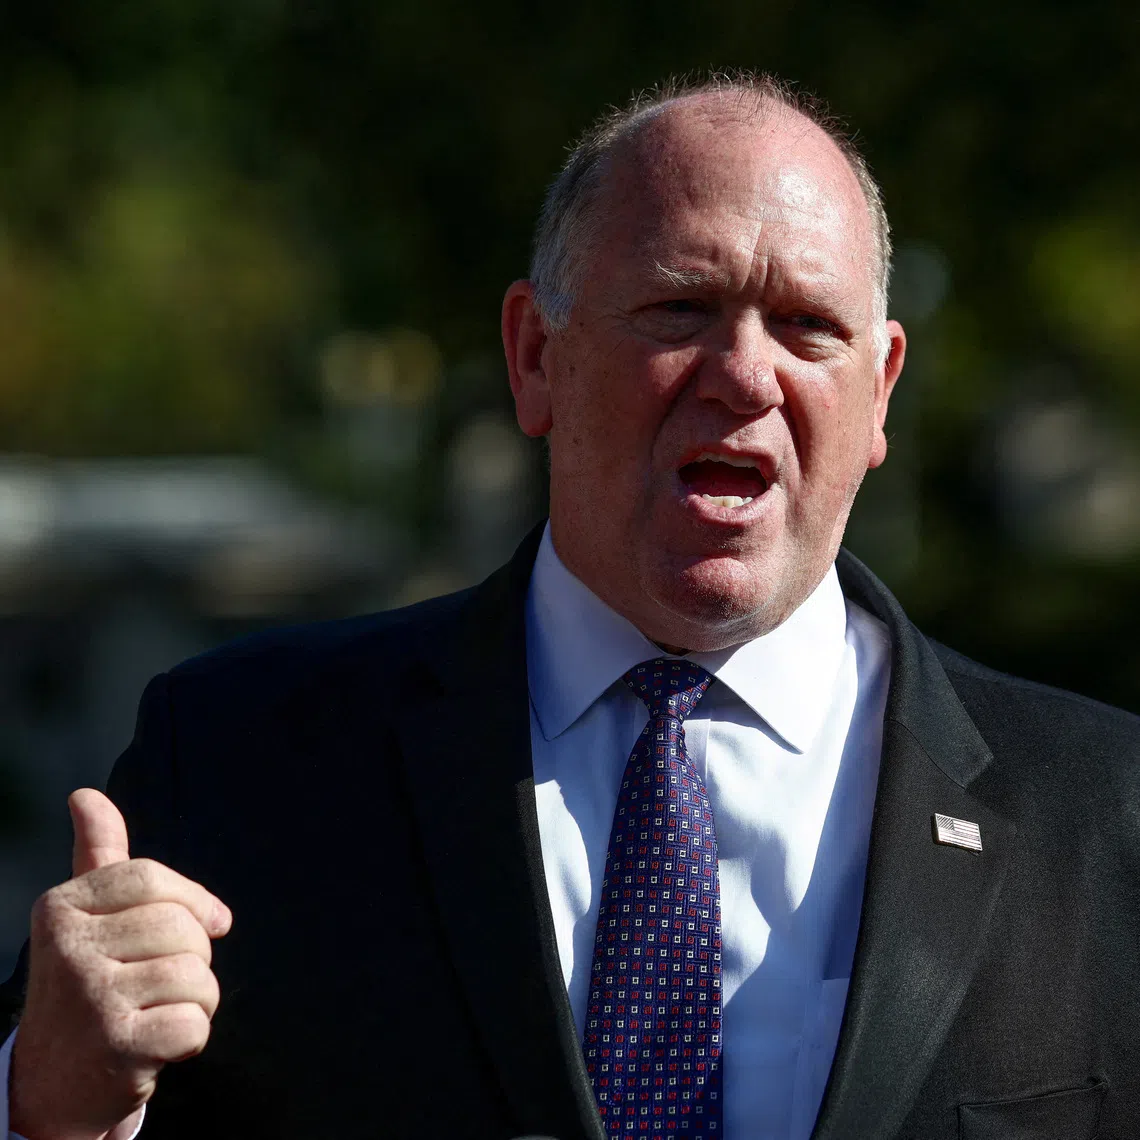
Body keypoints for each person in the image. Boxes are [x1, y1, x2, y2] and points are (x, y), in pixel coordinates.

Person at [2, 71, 1139, 1140]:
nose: (745, 376)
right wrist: (45, 1101)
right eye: (680, 307)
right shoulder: (241, 755)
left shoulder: (1103, 816)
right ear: (536, 355)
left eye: (807, 327)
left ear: (881, 390)